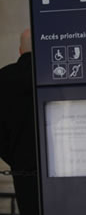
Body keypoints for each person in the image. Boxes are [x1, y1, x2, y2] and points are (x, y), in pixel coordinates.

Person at [0, 29, 39, 215]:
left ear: (19, 50)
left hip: (21, 165)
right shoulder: (52, 72)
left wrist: (14, 158)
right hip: (57, 163)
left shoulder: (3, 78)